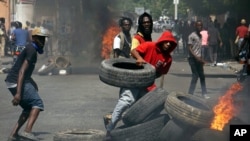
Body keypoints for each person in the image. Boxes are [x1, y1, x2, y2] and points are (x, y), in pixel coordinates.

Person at [103, 31, 177, 140]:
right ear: (162, 41)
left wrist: (149, 77)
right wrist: (139, 58)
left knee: (154, 108)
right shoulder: (149, 45)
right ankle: (110, 129)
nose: (168, 44)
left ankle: (138, 132)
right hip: (134, 80)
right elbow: (134, 51)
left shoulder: (168, 59)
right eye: (166, 42)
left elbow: (160, 73)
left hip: (148, 85)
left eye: (171, 43)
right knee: (126, 102)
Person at [5, 27, 48, 141]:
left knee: (28, 108)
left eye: (43, 39)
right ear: (33, 38)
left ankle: (13, 134)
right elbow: (22, 71)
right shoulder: (31, 50)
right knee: (37, 103)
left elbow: (25, 72)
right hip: (15, 81)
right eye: (40, 38)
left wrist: (32, 82)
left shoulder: (31, 49)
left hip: (12, 80)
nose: (42, 41)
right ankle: (27, 131)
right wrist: (18, 94)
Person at [187, 20, 209, 99]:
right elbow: (189, 48)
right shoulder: (192, 36)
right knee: (195, 76)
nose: (199, 27)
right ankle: (190, 94)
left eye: (201, 26)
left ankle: (204, 93)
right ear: (195, 26)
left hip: (199, 59)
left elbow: (201, 48)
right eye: (198, 25)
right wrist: (196, 57)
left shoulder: (201, 36)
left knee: (202, 76)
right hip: (192, 59)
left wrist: (202, 58)